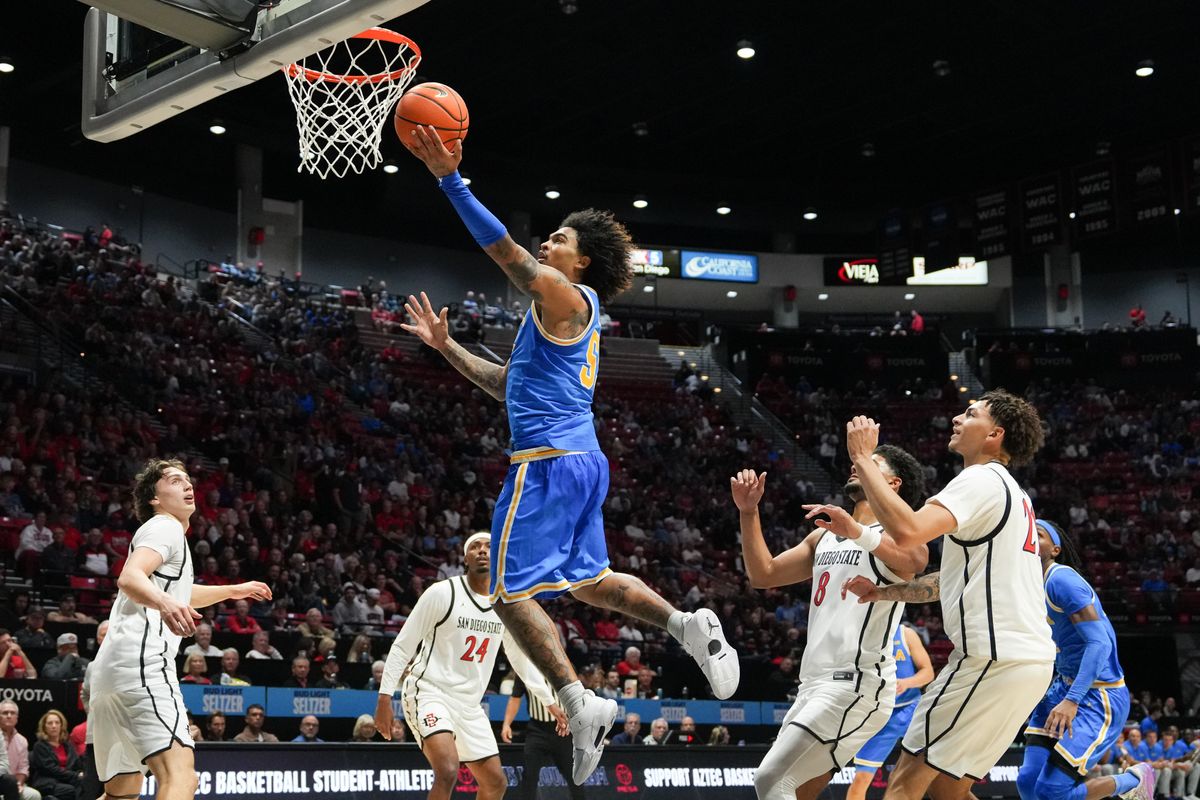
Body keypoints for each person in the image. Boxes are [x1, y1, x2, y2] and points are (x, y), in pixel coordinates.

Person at [401, 127, 739, 786]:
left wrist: (449, 179)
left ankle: (580, 704)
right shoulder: (556, 322)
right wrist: (446, 348)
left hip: (548, 462)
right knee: (587, 582)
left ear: (580, 263)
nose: (547, 243)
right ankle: (686, 624)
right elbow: (507, 385)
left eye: (559, 238)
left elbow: (506, 255)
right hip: (580, 459)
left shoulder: (565, 296)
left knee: (501, 591)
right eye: (550, 234)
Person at [839, 394, 1056, 800]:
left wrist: (865, 458)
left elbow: (908, 531)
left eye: (971, 414)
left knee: (903, 786)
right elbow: (951, 579)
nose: (957, 418)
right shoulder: (1014, 493)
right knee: (947, 791)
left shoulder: (981, 479)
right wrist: (886, 591)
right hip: (1028, 665)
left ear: (994, 434)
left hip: (991, 659)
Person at [732, 441, 929, 800]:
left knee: (770, 780)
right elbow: (764, 574)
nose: (856, 465)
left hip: (855, 684)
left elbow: (916, 560)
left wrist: (857, 531)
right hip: (814, 683)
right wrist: (749, 512)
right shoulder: (824, 535)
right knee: (794, 791)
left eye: (871, 462)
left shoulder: (898, 535)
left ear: (894, 483)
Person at [87, 459, 271, 800]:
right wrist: (167, 605)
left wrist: (231, 590)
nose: (187, 486)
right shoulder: (165, 526)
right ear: (154, 498)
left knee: (121, 792)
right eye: (174, 480)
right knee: (181, 778)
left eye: (187, 480)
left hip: (109, 676)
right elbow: (129, 577)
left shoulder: (165, 534)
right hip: (143, 666)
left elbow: (179, 593)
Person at [375, 532, 558, 800]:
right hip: (429, 692)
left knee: (496, 783)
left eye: (489, 547)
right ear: (465, 558)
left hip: (470, 705)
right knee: (448, 769)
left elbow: (519, 658)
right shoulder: (441, 592)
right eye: (475, 547)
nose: (482, 550)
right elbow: (403, 645)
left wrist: (548, 700)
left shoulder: (504, 605)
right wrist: (384, 699)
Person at [847, 624, 935, 800]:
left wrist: (906, 683)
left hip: (911, 708)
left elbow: (928, 672)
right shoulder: (860, 633)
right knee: (861, 780)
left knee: (937, 772)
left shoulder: (906, 634)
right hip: (878, 714)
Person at [501, 675, 577, 800]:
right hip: (537, 729)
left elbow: (576, 697)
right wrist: (506, 724)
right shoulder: (524, 669)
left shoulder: (563, 666)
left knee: (574, 776)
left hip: (563, 729)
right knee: (529, 776)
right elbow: (515, 698)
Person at [29, 710, 81, 800]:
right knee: (72, 790)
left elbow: (77, 764)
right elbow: (50, 769)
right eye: (50, 723)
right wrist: (75, 776)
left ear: (61, 725)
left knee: (87, 785)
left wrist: (81, 773)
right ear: (44, 727)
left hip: (68, 780)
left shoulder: (68, 745)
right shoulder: (40, 746)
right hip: (49, 782)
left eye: (57, 723)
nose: (54, 726)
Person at [0, 701, 39, 800]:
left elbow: (23, 767)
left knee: (34, 795)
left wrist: (18, 784)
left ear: (17, 718)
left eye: (12, 713)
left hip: (15, 784)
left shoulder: (22, 740)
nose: (9, 716)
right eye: (5, 713)